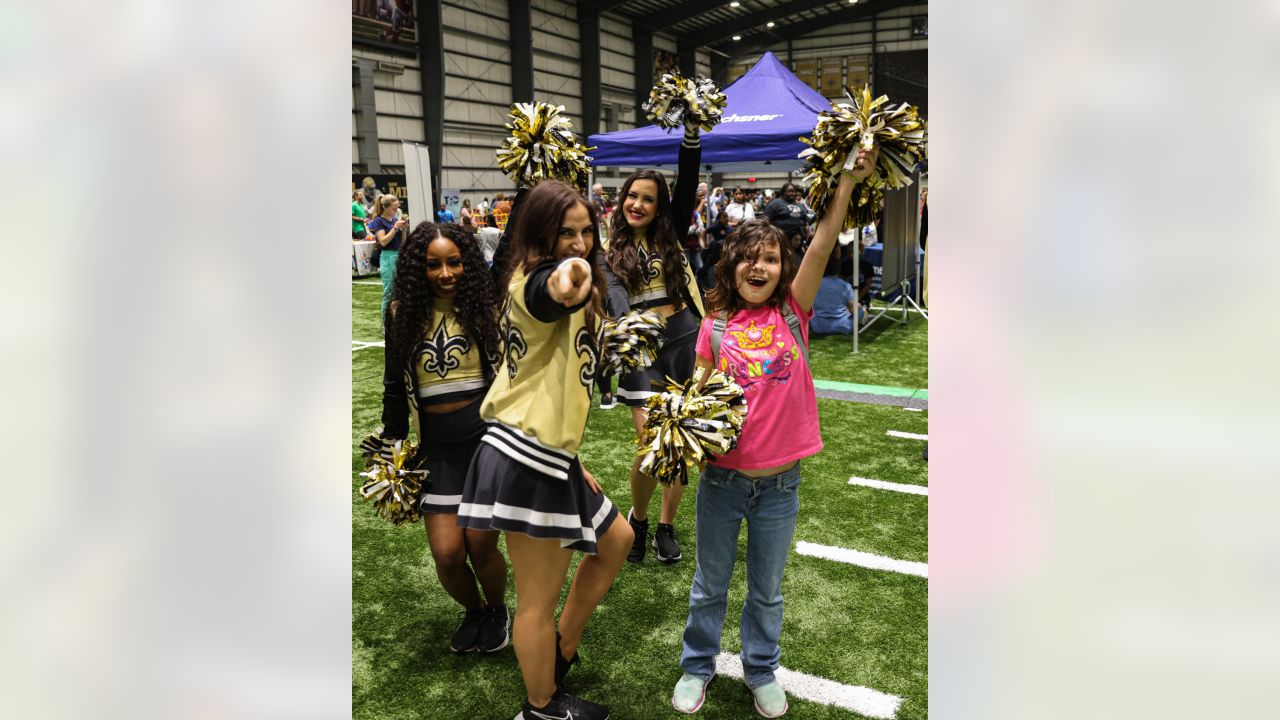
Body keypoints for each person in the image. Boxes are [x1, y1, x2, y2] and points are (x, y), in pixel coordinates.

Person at [670, 146, 878, 717]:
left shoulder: (795, 312)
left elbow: (821, 241)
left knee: (767, 590)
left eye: (769, 260)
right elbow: (696, 404)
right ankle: (697, 666)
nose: (758, 268)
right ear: (731, 265)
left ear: (782, 270)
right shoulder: (713, 328)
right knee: (710, 585)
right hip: (723, 483)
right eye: (748, 259)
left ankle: (761, 670)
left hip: (781, 486)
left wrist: (845, 182)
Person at [458, 180, 633, 720]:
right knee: (536, 599)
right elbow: (552, 291)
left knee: (617, 541)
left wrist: (574, 460)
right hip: (524, 456)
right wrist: (570, 275)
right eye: (566, 234)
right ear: (540, 235)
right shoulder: (532, 284)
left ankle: (560, 649)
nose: (579, 243)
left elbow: (551, 378)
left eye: (586, 232)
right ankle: (540, 707)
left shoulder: (554, 283)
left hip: (550, 455)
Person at [372, 221, 510, 654]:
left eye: (454, 262)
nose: (446, 273)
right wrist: (392, 447)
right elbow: (394, 385)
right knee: (448, 554)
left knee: (481, 544)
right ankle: (474, 611)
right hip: (436, 451)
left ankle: (497, 609)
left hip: (484, 445)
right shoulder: (400, 314)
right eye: (434, 265)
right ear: (418, 269)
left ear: (468, 263)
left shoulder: (484, 309)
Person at [602, 119, 707, 565]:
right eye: (632, 196)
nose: (638, 204)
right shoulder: (609, 249)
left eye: (648, 198)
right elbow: (615, 297)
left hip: (682, 338)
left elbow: (686, 185)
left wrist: (692, 136)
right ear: (621, 200)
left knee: (677, 444)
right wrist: (629, 324)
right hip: (641, 349)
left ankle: (664, 525)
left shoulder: (672, 233)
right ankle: (639, 519)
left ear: (659, 206)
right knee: (653, 444)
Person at [369, 193, 410, 320]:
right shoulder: (378, 221)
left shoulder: (393, 221)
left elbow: (402, 243)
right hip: (388, 258)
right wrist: (395, 228)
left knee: (399, 292)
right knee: (388, 293)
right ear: (386, 207)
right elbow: (383, 241)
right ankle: (385, 323)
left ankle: (396, 319)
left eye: (397, 208)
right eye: (393, 208)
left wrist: (403, 230)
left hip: (398, 256)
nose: (396, 210)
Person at [763, 182, 809, 256]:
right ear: (783, 192)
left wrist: (806, 241)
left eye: (794, 191)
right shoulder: (775, 204)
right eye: (789, 191)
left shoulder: (800, 205)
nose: (792, 193)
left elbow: (806, 224)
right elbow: (764, 222)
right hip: (780, 241)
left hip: (798, 244)